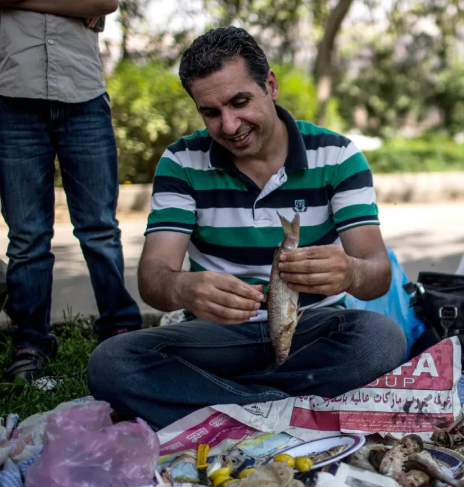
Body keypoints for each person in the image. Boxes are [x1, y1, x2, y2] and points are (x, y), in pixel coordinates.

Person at [87, 27, 407, 429]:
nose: (230, 124)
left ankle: (219, 402)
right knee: (110, 364)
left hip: (311, 332)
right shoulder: (181, 162)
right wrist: (182, 287)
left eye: (240, 102)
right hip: (216, 338)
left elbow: (376, 273)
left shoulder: (337, 155)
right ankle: (284, 407)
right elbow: (154, 278)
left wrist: (352, 271)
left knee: (382, 338)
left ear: (269, 85)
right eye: (211, 112)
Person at [0, 0, 143, 382]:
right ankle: (30, 341)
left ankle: (121, 330)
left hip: (84, 97)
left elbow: (104, 3)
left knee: (99, 228)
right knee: (27, 236)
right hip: (13, 97)